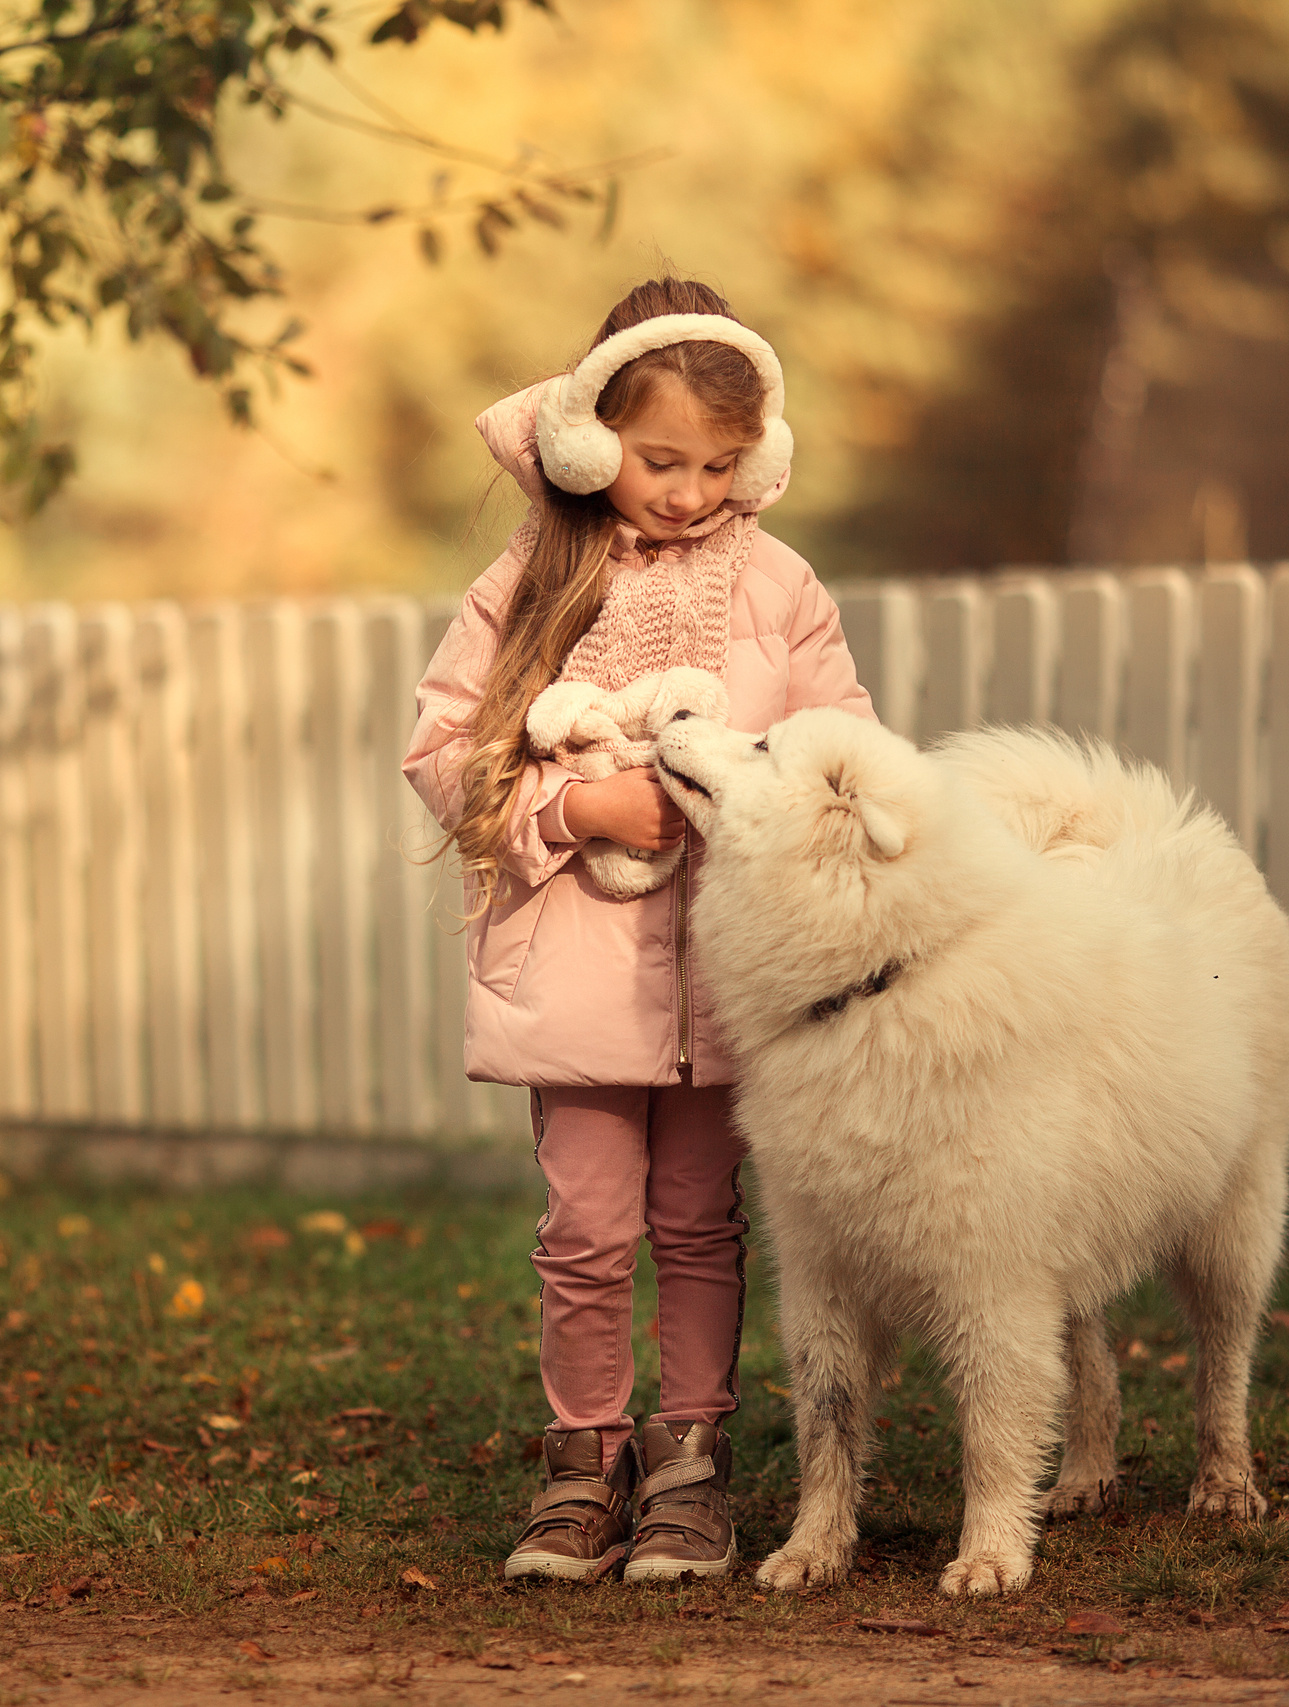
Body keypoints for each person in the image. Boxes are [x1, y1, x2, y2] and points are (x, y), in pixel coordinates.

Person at [402, 278, 874, 1582]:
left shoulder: (779, 584)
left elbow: (843, 746)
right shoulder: (531, 578)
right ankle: (582, 1467)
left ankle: (690, 1470)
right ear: (589, 439)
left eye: (720, 467)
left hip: (730, 979)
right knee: (587, 1229)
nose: (689, 491)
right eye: (661, 461)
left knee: (702, 1223)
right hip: (575, 975)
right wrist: (578, 806)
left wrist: (763, 798)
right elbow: (444, 752)